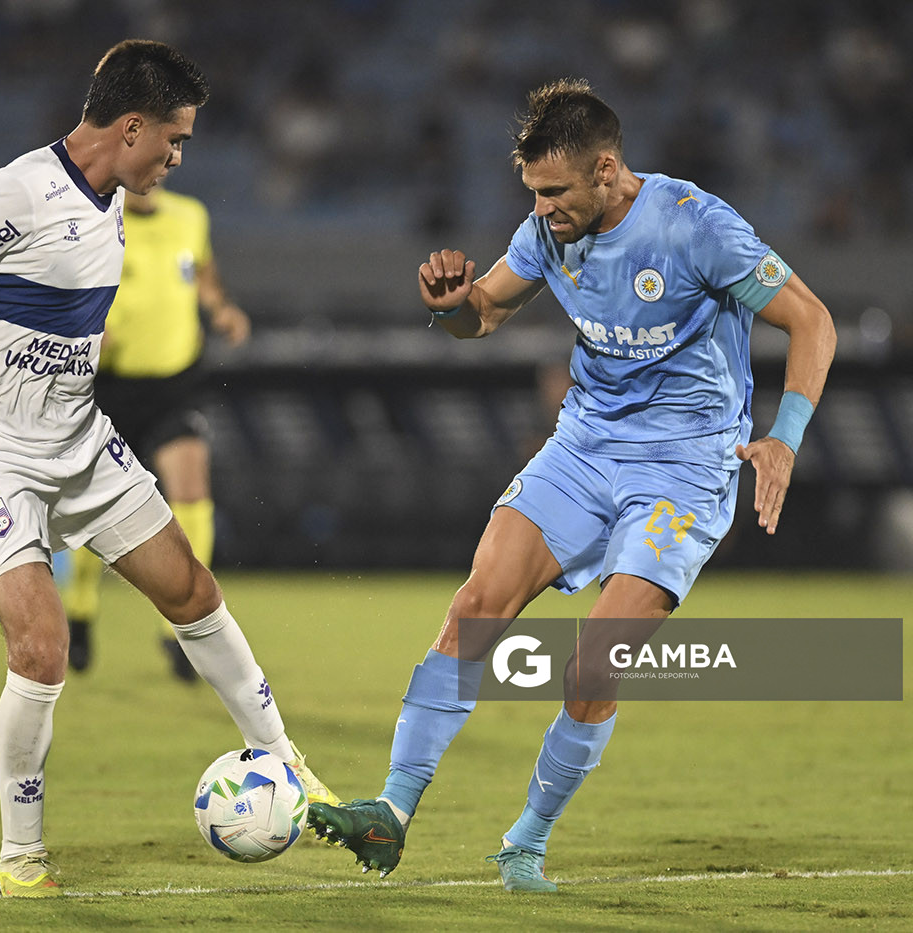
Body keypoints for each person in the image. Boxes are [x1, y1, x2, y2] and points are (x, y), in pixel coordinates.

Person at [0, 39, 337, 898]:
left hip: (77, 441)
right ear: (131, 127)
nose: (177, 155)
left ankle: (292, 769)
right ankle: (21, 858)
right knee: (43, 646)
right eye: (175, 138)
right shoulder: (12, 194)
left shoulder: (112, 195)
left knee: (192, 591)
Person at [308, 78, 836, 891]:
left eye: (555, 192)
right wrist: (450, 305)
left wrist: (784, 440)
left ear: (608, 169)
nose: (542, 209)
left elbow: (811, 318)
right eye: (532, 193)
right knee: (474, 607)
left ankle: (526, 839)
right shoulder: (548, 230)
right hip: (584, 448)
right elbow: (482, 314)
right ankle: (393, 809)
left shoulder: (696, 226)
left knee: (596, 661)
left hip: (686, 467)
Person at [60, 185, 250, 679]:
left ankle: (183, 630)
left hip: (174, 384)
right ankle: (79, 610)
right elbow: (63, 290)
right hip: (110, 386)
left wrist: (220, 307)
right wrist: (86, 329)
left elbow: (201, 271)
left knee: (191, 489)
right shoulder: (91, 220)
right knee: (90, 502)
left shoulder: (191, 215)